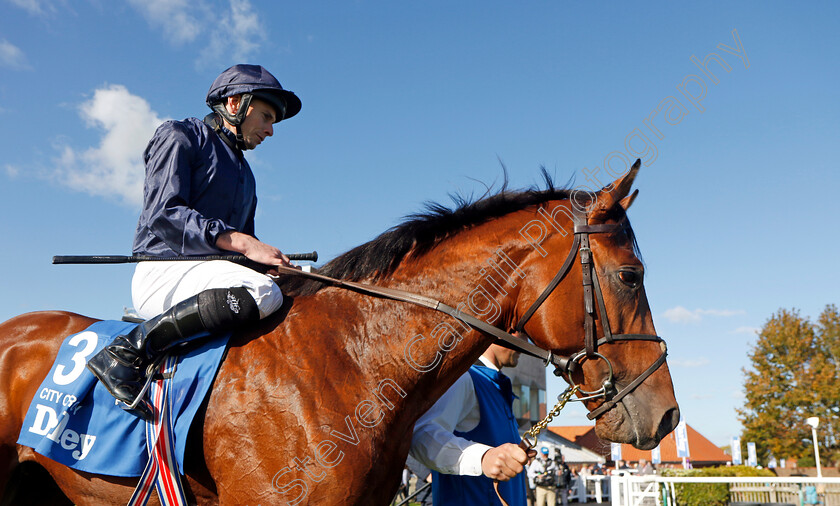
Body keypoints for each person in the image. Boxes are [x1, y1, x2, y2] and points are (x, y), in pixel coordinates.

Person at [86, 64, 302, 420]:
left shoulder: (246, 175)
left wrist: (266, 261)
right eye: (266, 116)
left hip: (211, 277)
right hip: (164, 270)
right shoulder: (179, 135)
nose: (270, 130)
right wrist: (246, 245)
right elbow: (163, 213)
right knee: (264, 293)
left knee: (293, 288)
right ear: (235, 103)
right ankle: (128, 352)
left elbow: (238, 249)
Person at [409, 343, 532, 506]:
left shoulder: (498, 386)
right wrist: (482, 458)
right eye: (520, 333)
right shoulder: (463, 377)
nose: (525, 344)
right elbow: (421, 435)